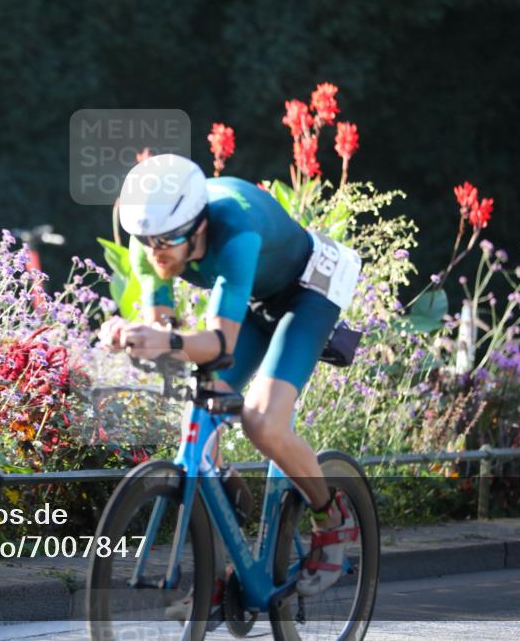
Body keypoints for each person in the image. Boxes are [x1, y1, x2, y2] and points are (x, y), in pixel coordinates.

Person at [98, 153, 360, 599]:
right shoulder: (151, 246)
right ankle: (219, 569)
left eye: (168, 239)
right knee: (195, 427)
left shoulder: (234, 231)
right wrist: (135, 336)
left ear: (198, 227)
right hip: (254, 298)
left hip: (309, 292)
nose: (156, 251)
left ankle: (332, 517)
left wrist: (168, 343)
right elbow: (165, 332)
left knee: (262, 421)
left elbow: (220, 344)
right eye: (146, 240)